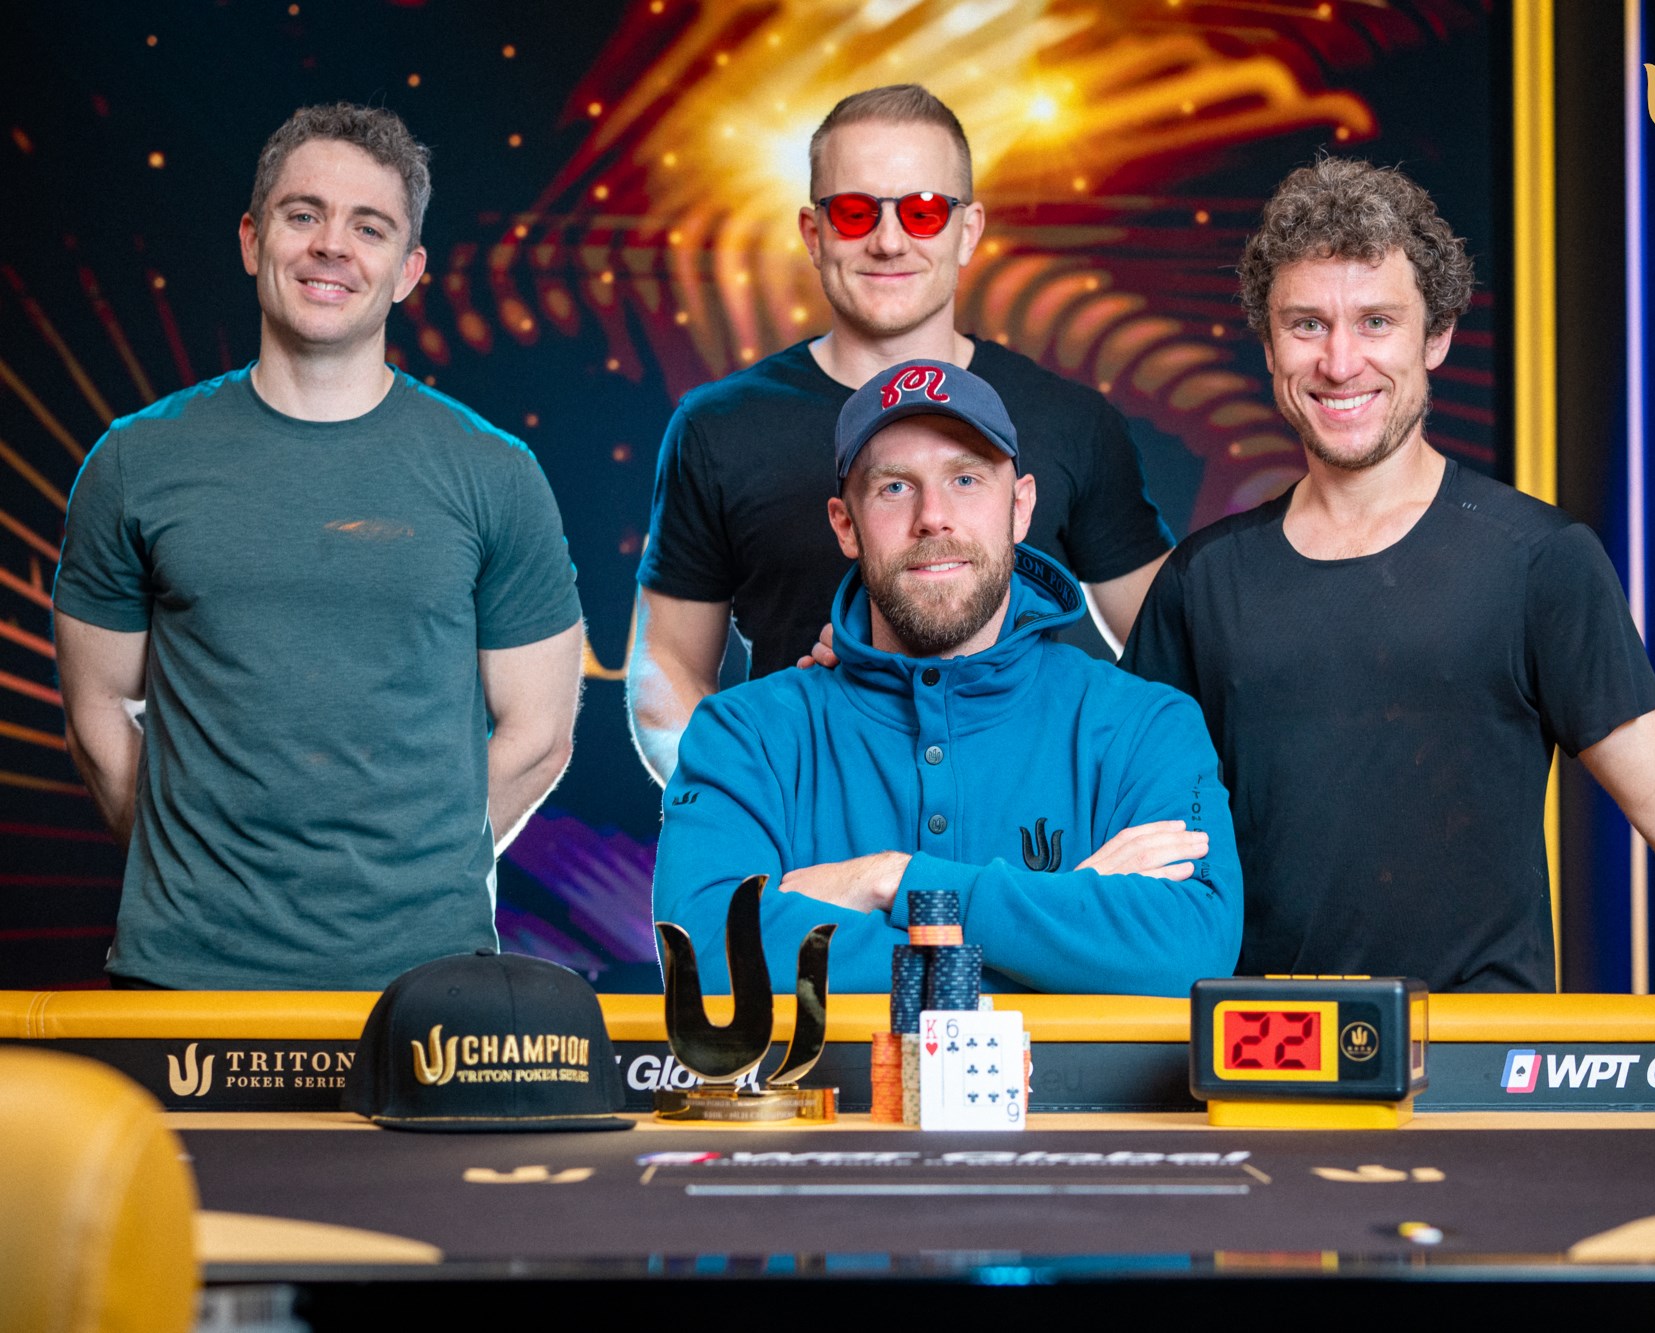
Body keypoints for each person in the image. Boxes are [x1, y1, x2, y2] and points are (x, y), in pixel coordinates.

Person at [1123, 156, 1655, 996]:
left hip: (1483, 1057)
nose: (1340, 361)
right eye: (1307, 324)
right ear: (1269, 344)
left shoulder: (1536, 558)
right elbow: (1126, 814)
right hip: (1258, 1048)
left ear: (1438, 336)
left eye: (1377, 321)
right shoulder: (1204, 581)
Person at [52, 104, 584, 990]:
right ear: (252, 239)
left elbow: (540, 735)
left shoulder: (496, 473)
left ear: (408, 270)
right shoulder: (134, 462)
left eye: (369, 227)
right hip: (184, 977)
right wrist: (193, 872)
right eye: (303, 215)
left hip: (424, 981)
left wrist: (419, 873)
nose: (332, 246)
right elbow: (97, 711)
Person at [627, 84, 1174, 782]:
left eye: (922, 211)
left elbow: (1173, 653)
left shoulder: (1073, 421)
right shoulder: (717, 427)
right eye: (855, 213)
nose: (889, 242)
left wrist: (1123, 795)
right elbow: (667, 663)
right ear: (813, 233)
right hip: (802, 827)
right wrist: (732, 806)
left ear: (967, 230)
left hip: (1029, 837)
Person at [652, 360, 1239, 995]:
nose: (933, 516)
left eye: (965, 479)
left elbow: (1191, 948)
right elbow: (708, 958)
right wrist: (1063, 930)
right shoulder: (744, 736)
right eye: (894, 487)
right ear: (846, 525)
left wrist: (893, 880)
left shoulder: (1147, 726)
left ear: (1020, 508)